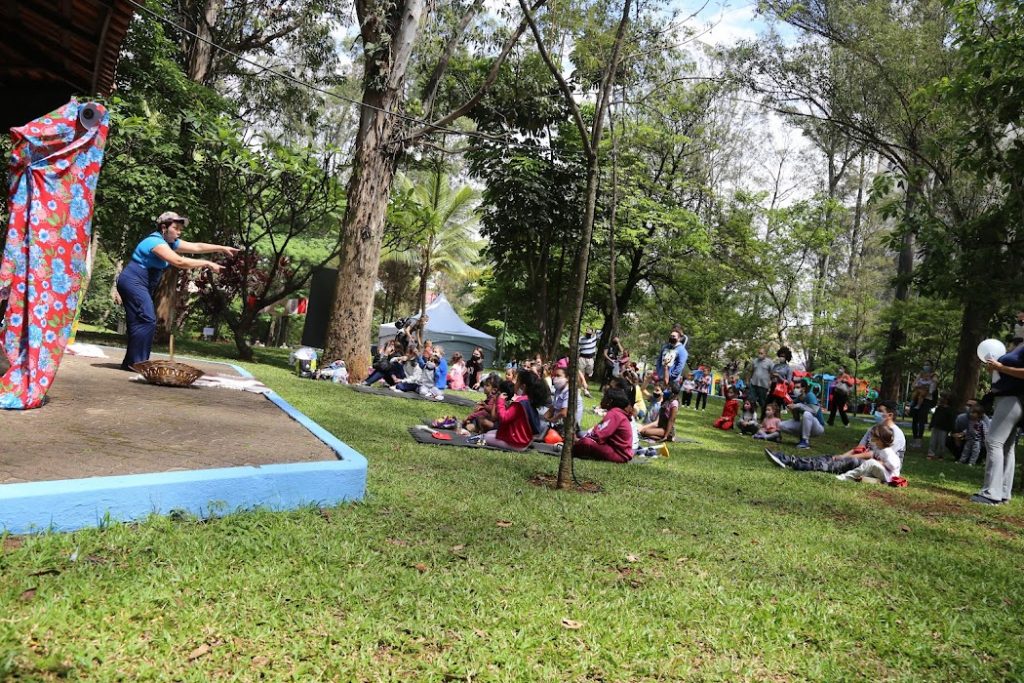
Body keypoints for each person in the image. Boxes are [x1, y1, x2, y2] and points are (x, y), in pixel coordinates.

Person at [116, 212, 238, 370]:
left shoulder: (169, 243)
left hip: (141, 283)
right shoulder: (154, 242)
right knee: (147, 319)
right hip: (133, 281)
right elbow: (179, 261)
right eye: (176, 228)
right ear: (163, 228)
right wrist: (207, 264)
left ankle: (131, 363)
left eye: (181, 229)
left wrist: (221, 248)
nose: (179, 232)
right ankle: (138, 363)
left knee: (138, 322)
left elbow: (197, 247)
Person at [765, 400, 906, 474]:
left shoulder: (896, 435)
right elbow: (859, 448)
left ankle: (795, 463)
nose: (876, 413)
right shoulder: (873, 429)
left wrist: (849, 459)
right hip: (862, 460)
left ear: (890, 415)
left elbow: (886, 463)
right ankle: (787, 459)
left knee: (843, 463)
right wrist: (842, 455)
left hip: (877, 469)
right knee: (831, 457)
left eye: (880, 412)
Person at [975, 336, 1024, 503]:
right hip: (1011, 399)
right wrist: (997, 370)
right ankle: (1003, 492)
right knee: (1007, 446)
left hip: (1013, 399)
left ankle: (990, 493)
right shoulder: (1020, 346)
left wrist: (1001, 367)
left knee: (993, 441)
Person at [484, 369, 551, 450]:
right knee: (491, 433)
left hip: (516, 443)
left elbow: (503, 418)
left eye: (517, 381)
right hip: (524, 440)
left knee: (487, 436)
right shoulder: (528, 400)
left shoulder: (520, 402)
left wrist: (500, 401)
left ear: (522, 386)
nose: (514, 383)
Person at [572, 387, 635, 463]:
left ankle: (568, 449)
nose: (602, 399)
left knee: (586, 442)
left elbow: (599, 436)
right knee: (583, 438)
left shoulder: (615, 414)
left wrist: (578, 441)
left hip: (619, 454)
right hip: (614, 449)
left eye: (604, 397)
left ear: (610, 401)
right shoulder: (616, 413)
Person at [835, 423, 902, 484]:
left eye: (874, 438)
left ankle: (846, 477)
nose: (872, 439)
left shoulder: (887, 451)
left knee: (871, 462)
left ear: (880, 440)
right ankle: (869, 479)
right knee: (868, 466)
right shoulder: (878, 449)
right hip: (885, 474)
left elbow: (894, 465)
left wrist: (882, 463)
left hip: (890, 477)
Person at [778, 378, 825, 449]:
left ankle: (805, 441)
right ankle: (801, 438)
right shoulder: (798, 399)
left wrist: (799, 406)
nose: (795, 389)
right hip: (806, 425)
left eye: (797, 387)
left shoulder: (810, 395)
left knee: (807, 414)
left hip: (818, 427)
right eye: (794, 387)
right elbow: (796, 419)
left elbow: (814, 410)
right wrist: (793, 409)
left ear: (804, 388)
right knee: (780, 425)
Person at [908, 363, 938, 448]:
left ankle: (919, 440)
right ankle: (914, 438)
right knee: (915, 420)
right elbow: (913, 385)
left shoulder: (934, 376)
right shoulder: (920, 374)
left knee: (921, 420)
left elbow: (932, 389)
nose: (926, 366)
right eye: (924, 364)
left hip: (926, 400)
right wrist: (918, 387)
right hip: (916, 398)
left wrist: (925, 388)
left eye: (927, 365)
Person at [926, 392, 955, 460]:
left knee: (942, 442)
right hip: (936, 426)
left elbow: (951, 420)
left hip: (944, 428)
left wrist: (951, 429)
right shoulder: (938, 408)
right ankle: (931, 453)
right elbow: (934, 417)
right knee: (933, 441)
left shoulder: (950, 410)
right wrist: (931, 425)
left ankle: (940, 455)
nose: (941, 399)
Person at [766, 347, 794, 415]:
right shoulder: (775, 366)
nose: (781, 357)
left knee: (777, 406)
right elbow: (770, 376)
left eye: (783, 356)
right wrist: (772, 376)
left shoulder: (788, 368)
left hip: (781, 389)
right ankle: (765, 419)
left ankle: (777, 421)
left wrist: (779, 377)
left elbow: (788, 382)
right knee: (768, 404)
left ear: (787, 357)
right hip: (773, 386)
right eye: (780, 356)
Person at [746, 347, 774, 417]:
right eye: (759, 353)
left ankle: (763, 417)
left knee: (763, 403)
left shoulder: (770, 362)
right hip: (754, 384)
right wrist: (747, 381)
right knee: (751, 400)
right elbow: (749, 371)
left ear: (765, 354)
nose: (759, 355)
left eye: (761, 353)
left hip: (764, 386)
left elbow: (773, 373)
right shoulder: (754, 361)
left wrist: (771, 383)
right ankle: (752, 415)